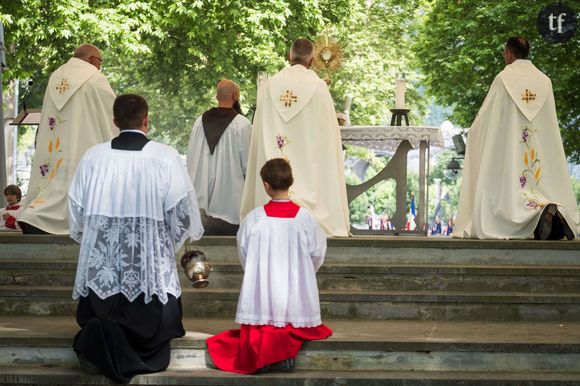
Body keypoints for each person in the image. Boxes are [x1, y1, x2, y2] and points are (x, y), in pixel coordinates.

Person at [68, 94, 204, 383]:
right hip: (149, 272)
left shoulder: (93, 156)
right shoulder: (165, 156)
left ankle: (103, 337)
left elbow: (76, 208)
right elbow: (182, 211)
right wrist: (164, 242)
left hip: (103, 271)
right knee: (157, 311)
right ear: (147, 120)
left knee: (100, 313)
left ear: (115, 121)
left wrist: (98, 239)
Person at [207, 158, 332, 374]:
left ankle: (267, 356)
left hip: (262, 292)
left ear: (266, 186)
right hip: (295, 294)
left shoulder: (253, 219)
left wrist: (259, 274)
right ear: (290, 182)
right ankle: (284, 354)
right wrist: (302, 275)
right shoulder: (306, 220)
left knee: (260, 330)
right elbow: (317, 254)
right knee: (292, 326)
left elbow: (244, 254)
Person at [453, 37, 578, 240]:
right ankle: (545, 212)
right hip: (538, 149)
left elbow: (487, 115)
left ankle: (530, 217)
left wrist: (474, 131)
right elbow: (549, 122)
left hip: (510, 149)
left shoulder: (503, 79)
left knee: (509, 191)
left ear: (509, 53)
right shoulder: (545, 81)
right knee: (538, 185)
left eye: (504, 53)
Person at [240, 38, 350, 237]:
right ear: (312, 59)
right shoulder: (318, 87)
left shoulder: (270, 84)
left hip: (274, 161)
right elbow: (328, 135)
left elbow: (260, 128)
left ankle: (274, 205)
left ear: (290, 56)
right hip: (308, 163)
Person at [18, 44, 118, 234]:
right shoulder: (95, 78)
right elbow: (114, 112)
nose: (99, 67)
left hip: (57, 142)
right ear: (92, 60)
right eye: (100, 62)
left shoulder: (56, 76)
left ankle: (36, 214)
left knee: (54, 180)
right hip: (86, 140)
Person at [186, 79, 252, 235]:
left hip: (199, 204)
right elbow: (248, 165)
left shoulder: (199, 122)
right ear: (236, 96)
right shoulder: (242, 124)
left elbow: (191, 158)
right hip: (229, 206)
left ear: (217, 97)